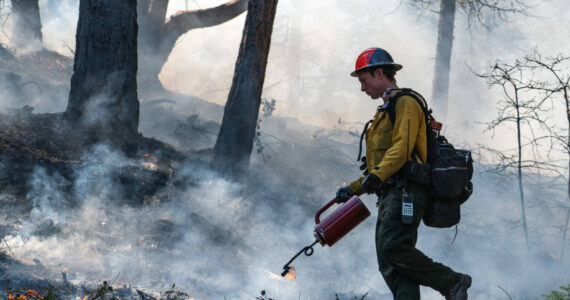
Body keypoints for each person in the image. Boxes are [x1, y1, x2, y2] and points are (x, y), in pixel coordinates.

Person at [336, 47, 471, 300]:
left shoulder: (406, 103)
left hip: (406, 191)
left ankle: (452, 281)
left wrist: (375, 178)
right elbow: (377, 165)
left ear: (378, 73)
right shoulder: (385, 111)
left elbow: (401, 148)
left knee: (393, 248)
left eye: (364, 81)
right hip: (390, 193)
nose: (363, 88)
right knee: (390, 262)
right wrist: (353, 188)